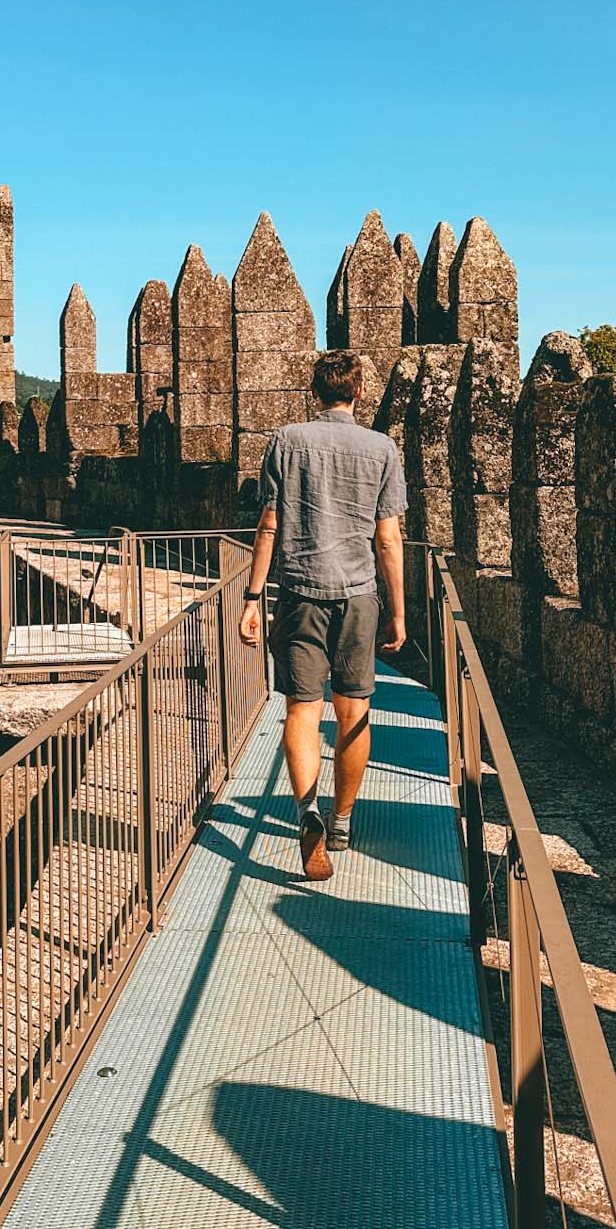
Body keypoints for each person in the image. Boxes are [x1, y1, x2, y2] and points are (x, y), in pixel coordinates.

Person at [237, 349, 407, 880]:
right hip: (357, 595)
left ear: (315, 392)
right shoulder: (382, 448)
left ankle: (306, 811)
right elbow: (388, 539)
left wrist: (252, 597)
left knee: (301, 711)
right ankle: (340, 821)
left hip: (299, 593)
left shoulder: (287, 441)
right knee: (353, 714)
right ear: (358, 392)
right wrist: (397, 612)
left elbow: (269, 525)